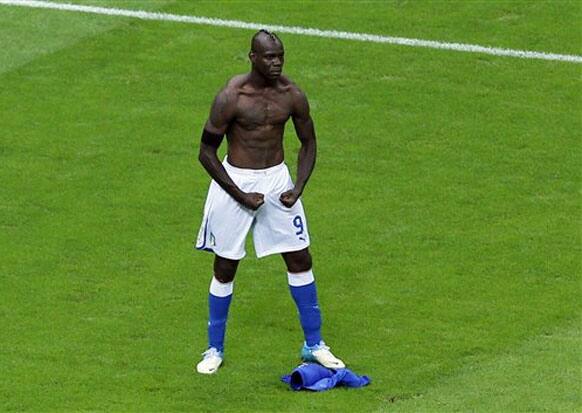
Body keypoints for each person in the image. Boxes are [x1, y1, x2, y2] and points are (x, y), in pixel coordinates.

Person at [195, 29, 345, 374]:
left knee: (300, 257)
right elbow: (206, 152)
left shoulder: (292, 95)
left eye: (280, 56)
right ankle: (213, 349)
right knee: (225, 265)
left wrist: (299, 186)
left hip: (277, 180)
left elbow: (308, 142)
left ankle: (314, 345)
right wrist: (240, 194)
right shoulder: (232, 96)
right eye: (269, 57)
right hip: (236, 181)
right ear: (253, 57)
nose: (276, 63)